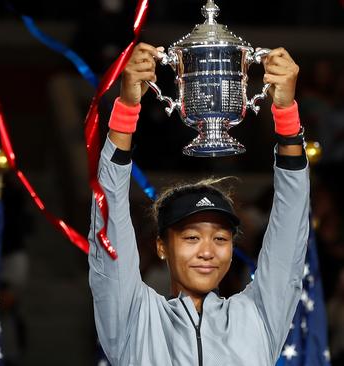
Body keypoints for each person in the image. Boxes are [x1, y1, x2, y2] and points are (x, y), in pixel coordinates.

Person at [89, 43, 308, 365]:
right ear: (162, 246)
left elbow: (290, 229)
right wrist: (126, 108)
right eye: (191, 237)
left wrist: (287, 117)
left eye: (220, 239)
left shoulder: (259, 315)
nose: (207, 251)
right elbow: (109, 218)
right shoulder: (133, 318)